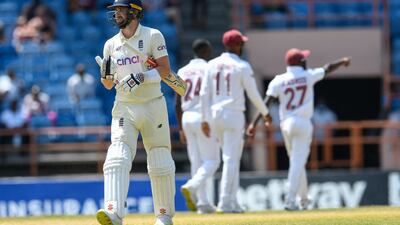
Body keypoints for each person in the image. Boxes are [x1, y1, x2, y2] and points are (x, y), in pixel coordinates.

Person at [94, 1, 176, 225]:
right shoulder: (110, 44)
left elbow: (165, 70)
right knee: (117, 156)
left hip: (152, 105)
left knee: (159, 158)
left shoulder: (152, 36)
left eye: (120, 10)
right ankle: (114, 212)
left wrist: (141, 76)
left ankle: (163, 215)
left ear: (134, 12)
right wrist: (105, 75)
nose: (116, 14)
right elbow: (109, 85)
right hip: (124, 107)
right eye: (115, 11)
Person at [246, 48, 350, 210]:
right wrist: (342, 61)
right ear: (301, 62)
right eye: (304, 59)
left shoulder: (279, 80)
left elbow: (266, 103)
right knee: (297, 162)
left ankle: (304, 199)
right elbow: (328, 68)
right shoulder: (307, 75)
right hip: (302, 122)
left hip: (286, 124)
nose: (306, 61)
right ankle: (290, 199)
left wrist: (254, 123)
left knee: (297, 162)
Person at [200, 29, 271, 213]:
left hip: (215, 114)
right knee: (231, 159)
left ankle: (233, 201)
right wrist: (265, 112)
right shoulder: (242, 66)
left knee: (231, 158)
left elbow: (204, 94)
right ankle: (225, 202)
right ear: (238, 45)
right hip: (233, 115)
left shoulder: (211, 64)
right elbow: (253, 94)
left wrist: (204, 119)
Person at [175, 39, 220, 214]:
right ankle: (192, 186)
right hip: (203, 117)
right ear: (205, 51)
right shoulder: (209, 68)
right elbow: (212, 96)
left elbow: (177, 102)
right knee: (213, 160)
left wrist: (180, 128)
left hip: (186, 117)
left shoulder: (182, 70)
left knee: (197, 161)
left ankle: (202, 202)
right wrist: (209, 120)